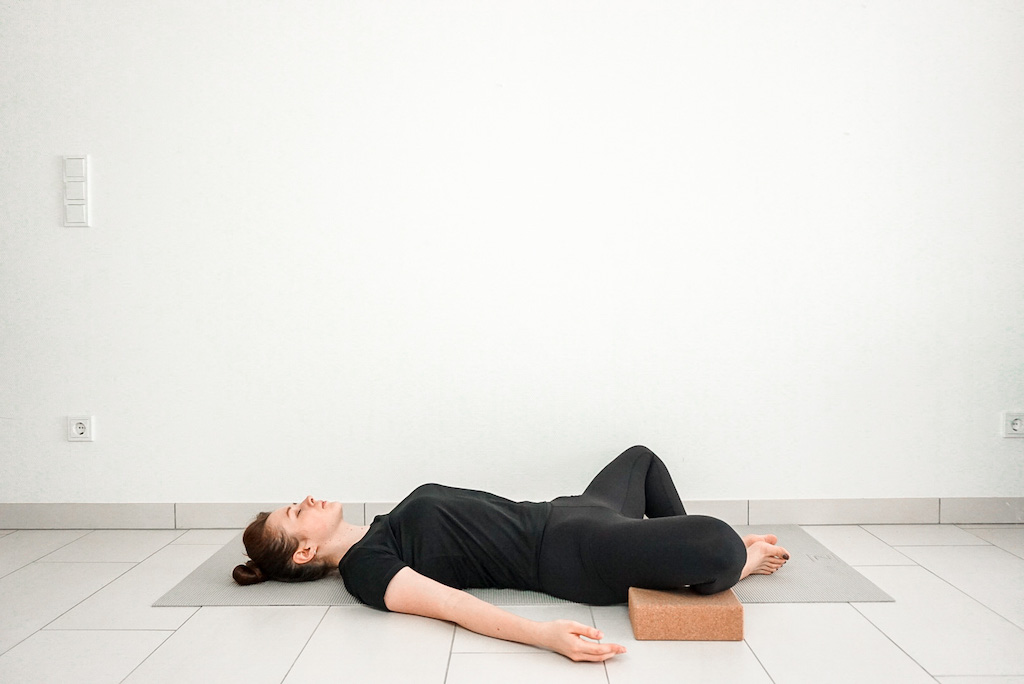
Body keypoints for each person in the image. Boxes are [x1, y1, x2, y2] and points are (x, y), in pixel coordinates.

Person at [233, 445, 789, 662]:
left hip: (568, 511)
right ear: (304, 551)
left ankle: (676, 554)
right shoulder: (366, 569)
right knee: (718, 540)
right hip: (574, 555)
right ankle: (729, 562)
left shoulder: (382, 523)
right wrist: (544, 637)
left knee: (641, 459)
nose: (305, 501)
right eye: (294, 512)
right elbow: (455, 606)